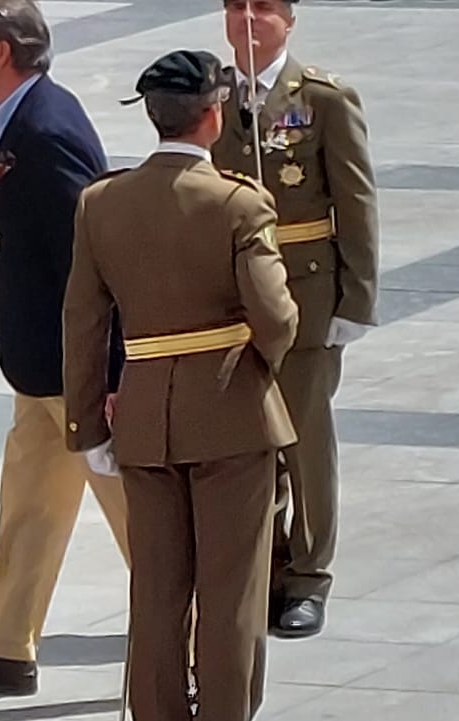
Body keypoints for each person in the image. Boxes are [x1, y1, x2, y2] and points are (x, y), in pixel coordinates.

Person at [65, 50, 298, 721]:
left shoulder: (101, 204)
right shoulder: (237, 203)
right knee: (231, 595)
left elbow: (82, 323)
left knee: (158, 594)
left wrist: (88, 426)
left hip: (143, 419)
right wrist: (260, 368)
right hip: (231, 415)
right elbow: (276, 316)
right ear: (213, 115)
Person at [0, 0, 127, 697]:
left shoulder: (46, 130)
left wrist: (110, 372)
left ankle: (194, 643)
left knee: (139, 520)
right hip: (38, 368)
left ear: (2, 51)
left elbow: (92, 258)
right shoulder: (20, 119)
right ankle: (5, 647)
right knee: (29, 510)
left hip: (76, 372)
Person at [213, 0, 380, 639]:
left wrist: (356, 300)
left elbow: (356, 201)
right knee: (245, 443)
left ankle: (308, 577)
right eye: (236, 8)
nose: (248, 20)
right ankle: (266, 568)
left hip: (305, 295)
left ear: (289, 20)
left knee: (305, 442)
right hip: (230, 299)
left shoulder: (321, 99)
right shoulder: (213, 95)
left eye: (263, 9)